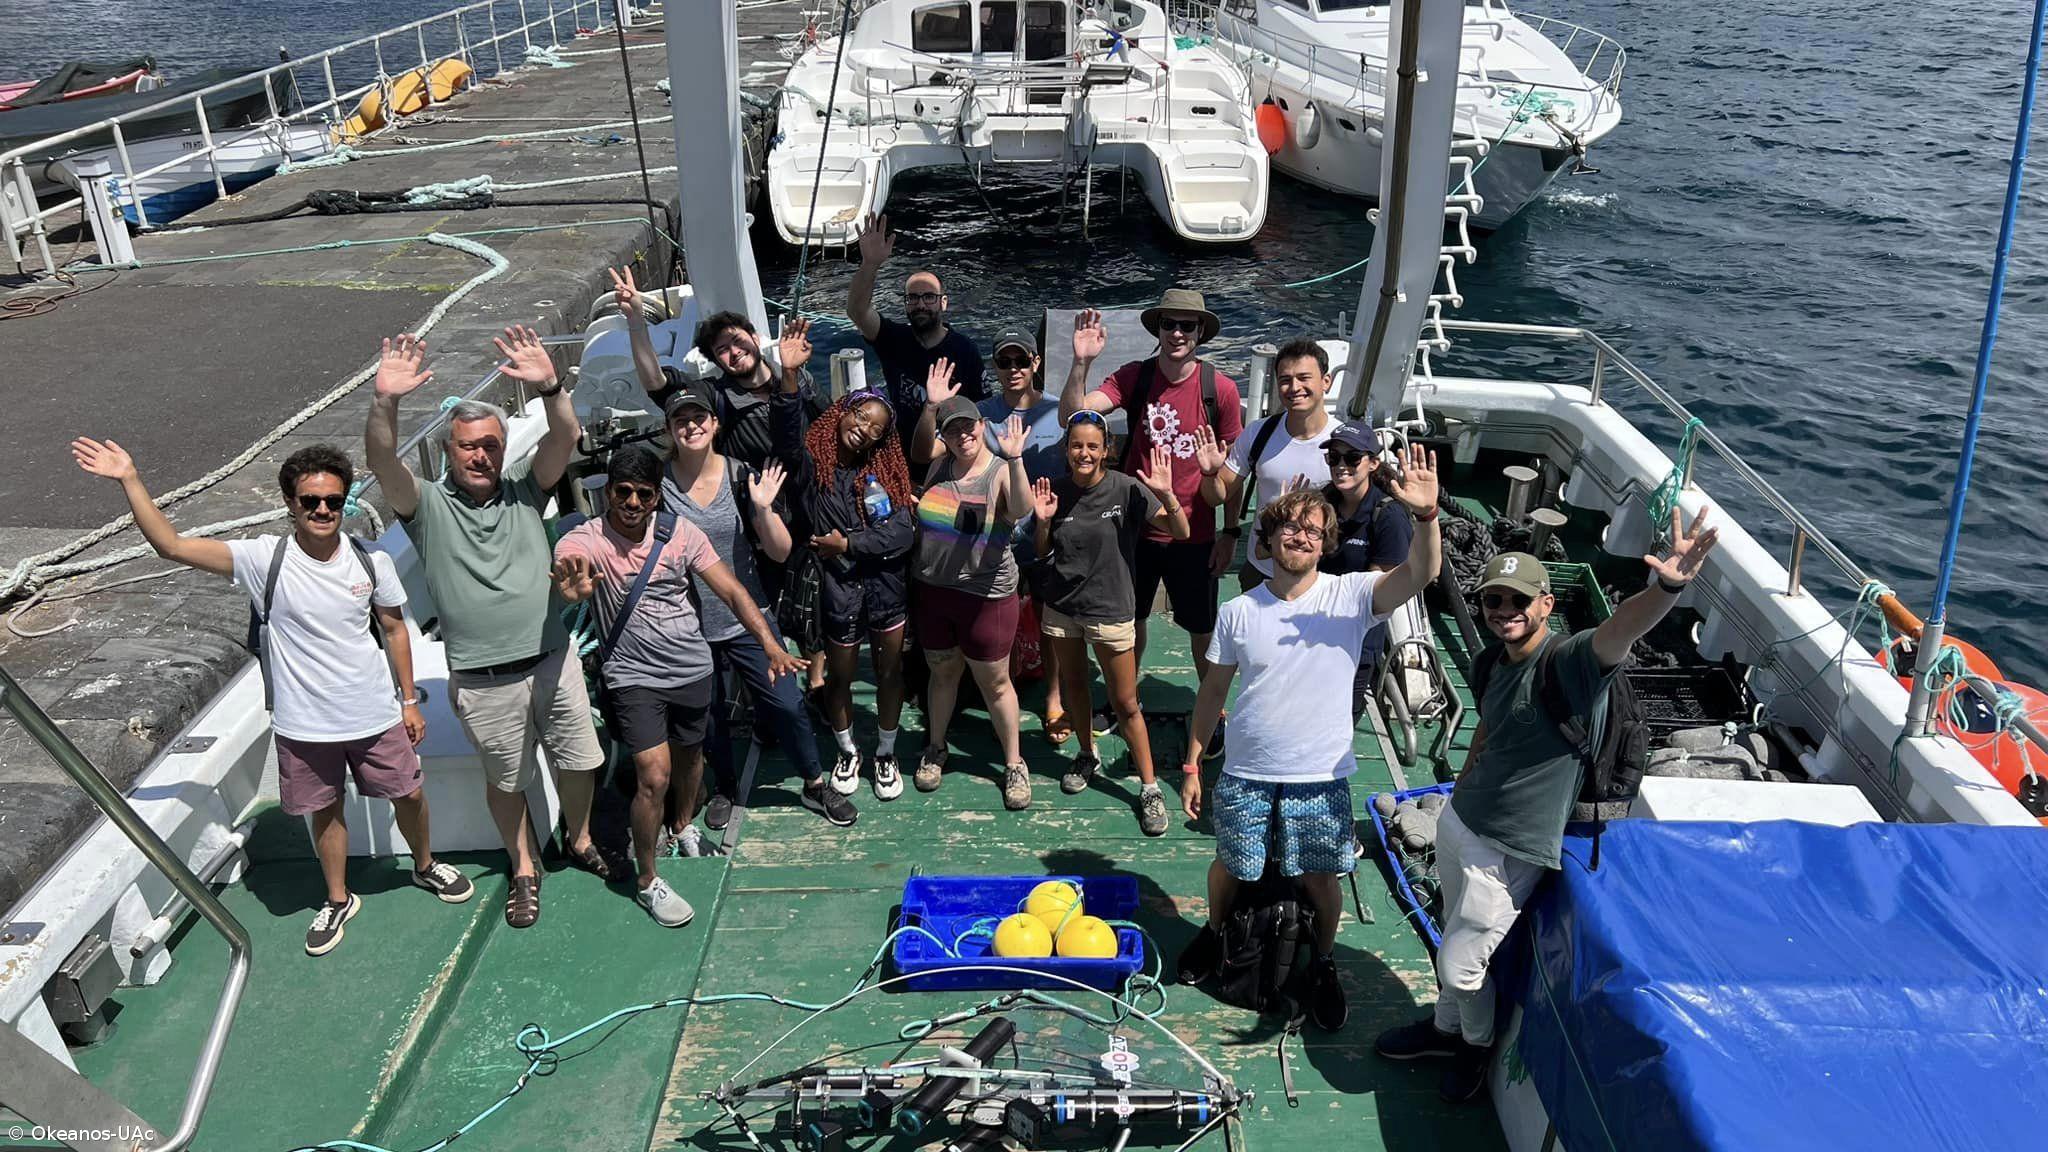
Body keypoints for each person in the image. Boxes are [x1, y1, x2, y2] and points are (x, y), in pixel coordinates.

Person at [72, 439, 474, 956]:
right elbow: (171, 545)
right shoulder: (264, 559)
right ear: (290, 504)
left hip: (374, 713)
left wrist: (409, 700)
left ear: (345, 501)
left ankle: (424, 866)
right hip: (304, 723)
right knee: (323, 810)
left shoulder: (371, 561)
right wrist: (130, 477)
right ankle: (336, 898)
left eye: (333, 500)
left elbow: (394, 629)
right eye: (311, 501)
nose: (323, 510)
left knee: (410, 794)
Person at [1373, 510, 1719, 1102]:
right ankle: (1444, 1027)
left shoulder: (1572, 664)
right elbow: (1489, 725)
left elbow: (1622, 630)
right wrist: (1464, 781)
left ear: (1546, 605)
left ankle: (1472, 1050)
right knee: (1451, 940)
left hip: (1511, 850)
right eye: (1493, 600)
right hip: (1461, 822)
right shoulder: (1490, 663)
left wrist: (1667, 587)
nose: (1505, 610)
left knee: (1460, 965)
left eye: (1518, 600)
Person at [1174, 448, 1445, 1031]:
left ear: (1325, 544)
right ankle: (1215, 930)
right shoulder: (1239, 610)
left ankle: (1322, 963)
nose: (1300, 536)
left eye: (1313, 530)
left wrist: (1426, 518)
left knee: (1321, 878)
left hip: (1319, 776)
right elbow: (1212, 693)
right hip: (1246, 769)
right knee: (1232, 866)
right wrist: (1194, 763)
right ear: (1267, 541)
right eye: (1288, 527)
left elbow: (1421, 575)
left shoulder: (1351, 597)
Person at [365, 327, 605, 930]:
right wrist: (384, 400)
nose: (481, 456)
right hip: (484, 681)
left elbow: (567, 435)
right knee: (506, 779)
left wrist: (550, 385)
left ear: (503, 450)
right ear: (448, 451)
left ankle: (579, 838)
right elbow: (380, 461)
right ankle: (523, 869)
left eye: (491, 446)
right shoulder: (426, 509)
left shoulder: (528, 490)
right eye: (468, 446)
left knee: (581, 763)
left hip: (553, 660)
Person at [553, 448, 807, 927]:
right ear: (608, 492)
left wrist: (771, 646)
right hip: (633, 677)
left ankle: (683, 824)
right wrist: (574, 586)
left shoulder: (680, 534)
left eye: (642, 494)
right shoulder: (588, 537)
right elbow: (573, 562)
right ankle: (648, 881)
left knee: (692, 760)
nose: (630, 502)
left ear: (656, 498)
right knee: (654, 775)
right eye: (621, 492)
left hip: (692, 670)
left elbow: (732, 589)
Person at [658, 377, 857, 830]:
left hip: (748, 615)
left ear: (714, 423)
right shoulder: (659, 485)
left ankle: (813, 782)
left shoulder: (740, 475)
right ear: (670, 429)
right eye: (680, 421)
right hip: (687, 624)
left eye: (698, 418)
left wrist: (764, 509)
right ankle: (725, 787)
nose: (691, 427)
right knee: (708, 717)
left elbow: (782, 552)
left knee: (786, 703)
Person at [1060, 293, 1244, 741]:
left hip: (1194, 533)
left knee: (1202, 630)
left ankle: (1213, 712)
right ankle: (1126, 700)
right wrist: (1080, 363)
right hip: (1136, 530)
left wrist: (1230, 532)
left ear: (1200, 333)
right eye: (1169, 324)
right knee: (1130, 622)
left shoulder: (1219, 390)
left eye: (1187, 325)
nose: (1177, 333)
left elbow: (1229, 480)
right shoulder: (1135, 377)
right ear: (1157, 329)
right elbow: (1074, 415)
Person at [772, 318, 917, 799]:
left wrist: (849, 544)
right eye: (859, 418)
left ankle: (887, 752)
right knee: (839, 675)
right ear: (841, 414)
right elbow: (789, 437)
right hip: (838, 590)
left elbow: (901, 534)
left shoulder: (891, 479)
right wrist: (789, 377)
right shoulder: (814, 468)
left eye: (875, 428)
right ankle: (848, 749)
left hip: (887, 589)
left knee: (892, 672)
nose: (864, 430)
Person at [1029, 413, 1189, 835]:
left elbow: (1181, 531)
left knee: (1126, 703)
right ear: (1066, 450)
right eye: (1076, 445)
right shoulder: (1055, 491)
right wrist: (1042, 523)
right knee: (1075, 687)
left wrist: (1168, 495)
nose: (1084, 453)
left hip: (1112, 609)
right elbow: (1043, 550)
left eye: (1092, 446)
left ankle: (1149, 786)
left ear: (1106, 450)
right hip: (1063, 608)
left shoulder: (1126, 488)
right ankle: (1087, 752)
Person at [915, 329, 1074, 740]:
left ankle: (1053, 696)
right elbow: (923, 455)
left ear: (1036, 363)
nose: (1013, 369)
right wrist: (932, 408)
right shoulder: (976, 413)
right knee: (992, 629)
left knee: (1048, 617)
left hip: (1042, 528)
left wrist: (1081, 363)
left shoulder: (1058, 412)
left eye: (1021, 360)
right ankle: (986, 686)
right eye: (1004, 362)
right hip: (987, 541)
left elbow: (1085, 448)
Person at [910, 391, 1033, 806]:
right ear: (944, 436)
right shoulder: (938, 464)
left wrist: (1016, 459)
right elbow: (918, 446)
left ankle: (1014, 763)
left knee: (995, 683)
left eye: (969, 425)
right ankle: (937, 746)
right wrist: (931, 407)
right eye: (953, 428)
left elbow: (1019, 508)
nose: (963, 434)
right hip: (934, 590)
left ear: (983, 426)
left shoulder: (998, 470)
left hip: (986, 595)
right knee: (941, 671)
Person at [609, 266, 820, 473]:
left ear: (755, 338)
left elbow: (829, 421)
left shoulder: (799, 378)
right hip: (760, 501)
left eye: (738, 340)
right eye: (723, 349)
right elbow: (656, 383)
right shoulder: (715, 396)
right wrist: (635, 321)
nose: (735, 351)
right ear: (717, 361)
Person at [1194, 337, 1336, 592]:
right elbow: (1216, 497)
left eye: (1304, 378)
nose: (1294, 387)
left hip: (1323, 578)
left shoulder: (1344, 443)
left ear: (1326, 382)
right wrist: (1209, 472)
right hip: (1263, 573)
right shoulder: (1258, 433)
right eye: (1285, 379)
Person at [847, 212, 986, 459]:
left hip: (946, 460)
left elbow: (981, 411)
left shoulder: (965, 351)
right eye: (913, 298)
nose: (921, 304)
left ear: (943, 303)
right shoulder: (892, 338)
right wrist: (870, 264)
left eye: (929, 297)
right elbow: (857, 311)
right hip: (896, 457)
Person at [1316, 421, 1413, 717]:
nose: (1341, 465)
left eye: (1352, 458)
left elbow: (1374, 593)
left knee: (1336, 724)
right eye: (1334, 457)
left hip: (1353, 648)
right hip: (1310, 631)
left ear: (1373, 463)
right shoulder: (1322, 501)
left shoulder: (1389, 517)